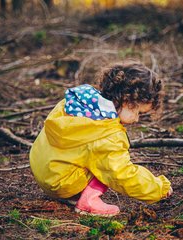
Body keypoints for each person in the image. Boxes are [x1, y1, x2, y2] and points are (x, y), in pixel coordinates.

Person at [30, 61, 172, 217]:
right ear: (127, 100)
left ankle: (72, 193)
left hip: (44, 170)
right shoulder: (107, 134)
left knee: (92, 155)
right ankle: (87, 202)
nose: (137, 119)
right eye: (138, 112)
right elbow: (122, 174)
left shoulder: (79, 101)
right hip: (61, 185)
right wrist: (158, 188)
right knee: (107, 165)